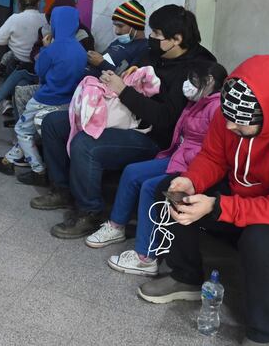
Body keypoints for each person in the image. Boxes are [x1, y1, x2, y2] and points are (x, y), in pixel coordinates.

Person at [137, 55, 269, 346]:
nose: (229, 128)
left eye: (239, 126)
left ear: (264, 118)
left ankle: (263, 335)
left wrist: (218, 207)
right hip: (245, 195)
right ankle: (186, 275)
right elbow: (213, 157)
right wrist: (192, 180)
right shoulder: (229, 116)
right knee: (172, 190)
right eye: (227, 120)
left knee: (262, 241)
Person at [31, 4, 216, 238]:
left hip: (154, 138)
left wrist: (124, 92)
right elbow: (131, 76)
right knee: (54, 123)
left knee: (86, 144)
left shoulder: (198, 69)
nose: (151, 38)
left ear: (177, 39)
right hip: (124, 116)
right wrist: (113, 81)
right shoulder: (154, 52)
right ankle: (61, 189)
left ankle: (90, 212)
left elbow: (167, 118)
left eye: (157, 34)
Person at [85, 61, 226, 277]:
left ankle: (145, 257)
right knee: (132, 172)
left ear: (209, 83)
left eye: (194, 81)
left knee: (151, 187)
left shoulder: (216, 108)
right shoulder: (196, 102)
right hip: (179, 157)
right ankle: (116, 226)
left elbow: (210, 151)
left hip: (193, 166)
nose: (188, 85)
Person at [0, 6, 87, 179]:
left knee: (22, 130)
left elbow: (40, 70)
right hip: (67, 100)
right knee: (28, 128)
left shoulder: (54, 48)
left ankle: (38, 170)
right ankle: (7, 161)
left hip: (46, 97)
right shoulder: (80, 50)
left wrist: (45, 48)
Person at [86, 0, 149, 77]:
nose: (116, 31)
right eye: (115, 26)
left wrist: (101, 63)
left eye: (120, 26)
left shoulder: (144, 48)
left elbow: (128, 79)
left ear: (135, 26)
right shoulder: (119, 41)